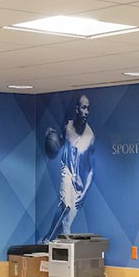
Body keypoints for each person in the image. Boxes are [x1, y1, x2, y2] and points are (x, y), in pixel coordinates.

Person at [46, 94, 95, 238]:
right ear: (77, 109)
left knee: (67, 222)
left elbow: (91, 170)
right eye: (83, 107)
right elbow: (57, 144)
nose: (86, 112)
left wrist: (84, 193)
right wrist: (50, 135)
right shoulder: (68, 127)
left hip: (78, 183)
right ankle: (48, 238)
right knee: (65, 205)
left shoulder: (90, 136)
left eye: (88, 108)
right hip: (66, 171)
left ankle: (63, 249)